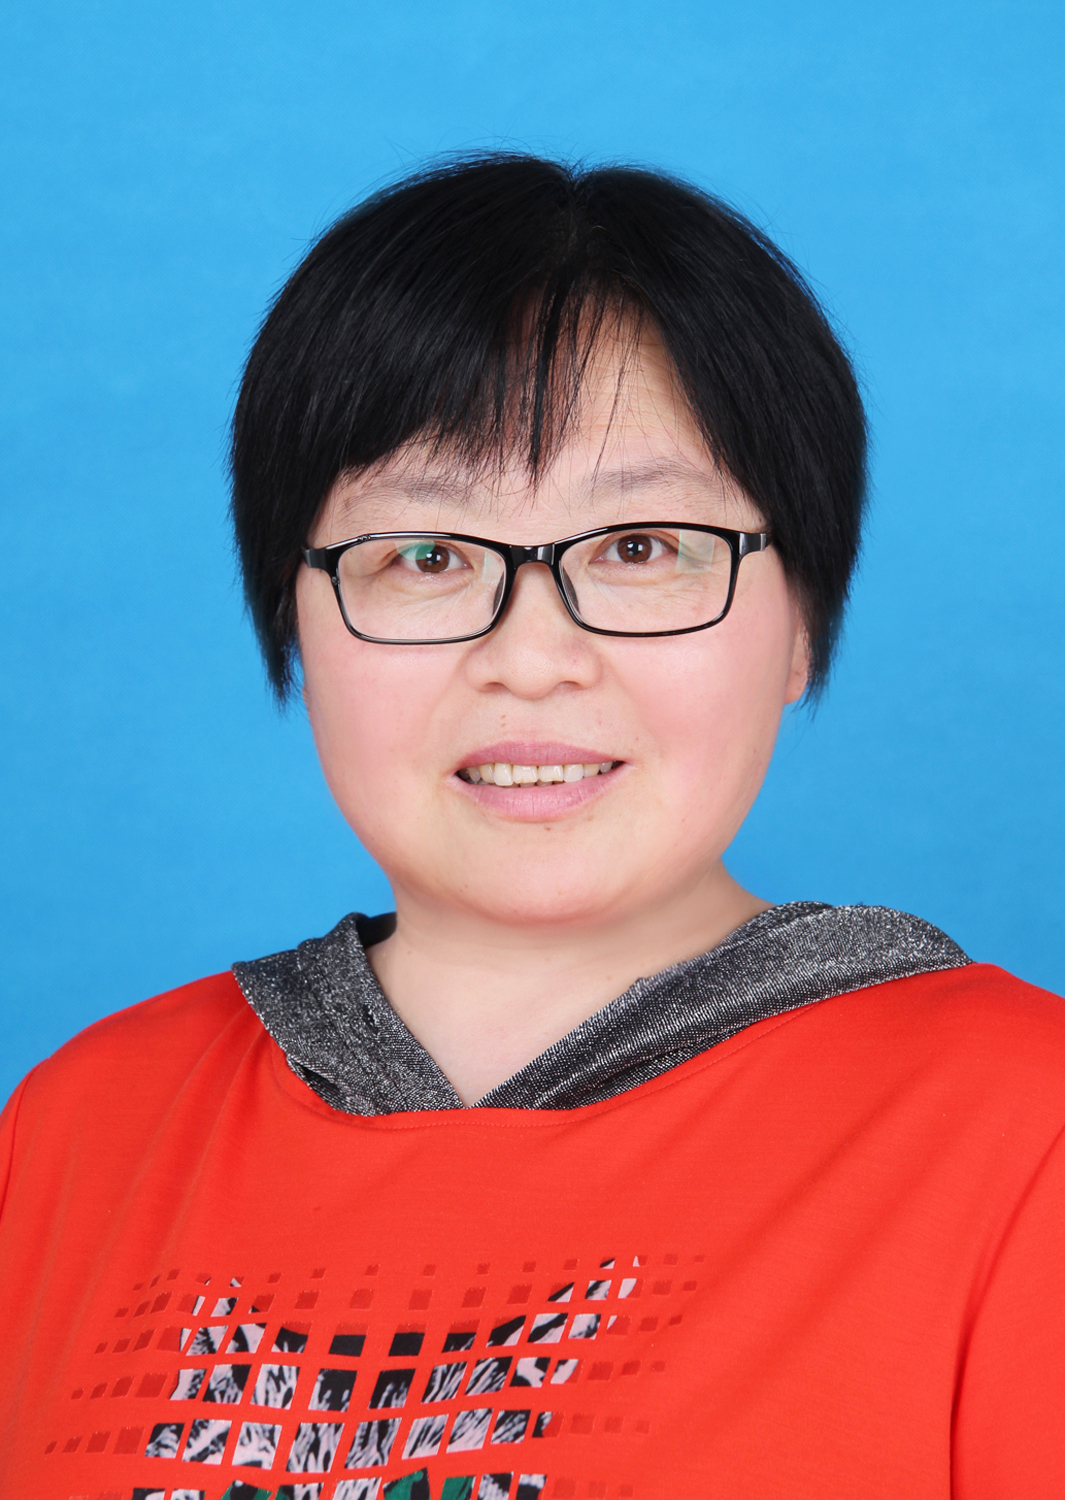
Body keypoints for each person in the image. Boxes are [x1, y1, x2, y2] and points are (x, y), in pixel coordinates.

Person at [1, 154, 1062, 1500]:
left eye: (639, 548)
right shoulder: (85, 1126)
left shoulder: (1021, 1129)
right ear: (296, 621)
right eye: (427, 557)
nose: (533, 658)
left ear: (800, 616)